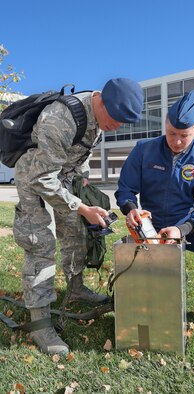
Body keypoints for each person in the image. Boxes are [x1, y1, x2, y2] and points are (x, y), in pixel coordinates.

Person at [13, 78, 144, 355]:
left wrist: (84, 188)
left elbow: (80, 154)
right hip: (35, 180)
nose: (118, 126)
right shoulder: (58, 119)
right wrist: (81, 207)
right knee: (41, 245)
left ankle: (75, 288)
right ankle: (40, 323)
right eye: (117, 118)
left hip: (63, 179)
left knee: (76, 232)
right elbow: (42, 179)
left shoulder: (99, 120)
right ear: (103, 101)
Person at [115, 90, 194, 335]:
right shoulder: (143, 150)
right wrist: (131, 209)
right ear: (165, 124)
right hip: (150, 226)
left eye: (184, 136)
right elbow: (125, 189)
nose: (176, 141)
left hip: (185, 226)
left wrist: (182, 229)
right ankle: (134, 296)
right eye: (172, 133)